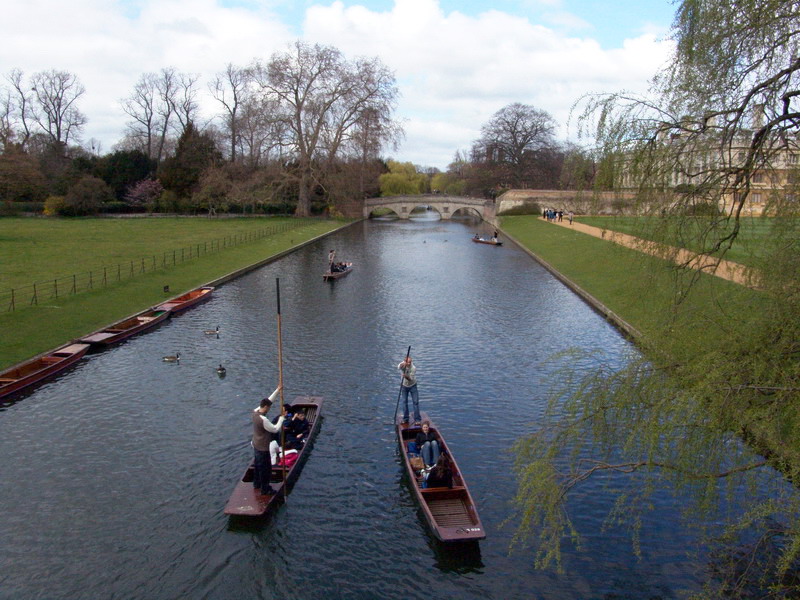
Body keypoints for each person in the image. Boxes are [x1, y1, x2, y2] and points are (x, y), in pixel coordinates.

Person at [252, 385, 284, 495]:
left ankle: (256, 484)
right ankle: (265, 489)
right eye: (268, 408)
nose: (269, 409)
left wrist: (277, 391)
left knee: (257, 466)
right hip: (263, 448)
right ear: (265, 407)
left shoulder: (255, 412)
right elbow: (275, 429)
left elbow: (268, 401)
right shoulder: (263, 419)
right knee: (265, 469)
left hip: (256, 445)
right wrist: (281, 419)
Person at [398, 355, 421, 425]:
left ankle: (417, 419)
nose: (409, 364)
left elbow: (410, 379)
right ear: (405, 361)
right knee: (404, 402)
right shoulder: (402, 364)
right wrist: (403, 365)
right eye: (407, 362)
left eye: (410, 362)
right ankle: (406, 419)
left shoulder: (413, 368)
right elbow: (399, 367)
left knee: (415, 402)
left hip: (412, 385)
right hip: (404, 386)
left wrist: (406, 376)